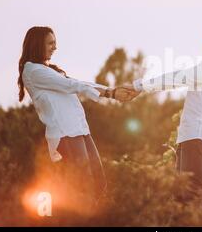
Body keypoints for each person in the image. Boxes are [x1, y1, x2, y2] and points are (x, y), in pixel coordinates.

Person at [120, 15, 202, 208]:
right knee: (182, 198)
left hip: (199, 136)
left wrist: (139, 86)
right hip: (195, 135)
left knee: (191, 194)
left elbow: (179, 78)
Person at [18, 26, 138, 207]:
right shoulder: (33, 71)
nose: (54, 48)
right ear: (37, 44)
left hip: (80, 130)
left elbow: (79, 84)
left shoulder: (49, 70)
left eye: (55, 44)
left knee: (99, 183)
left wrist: (112, 91)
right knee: (85, 186)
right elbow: (71, 85)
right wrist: (110, 94)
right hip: (65, 133)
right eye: (50, 43)